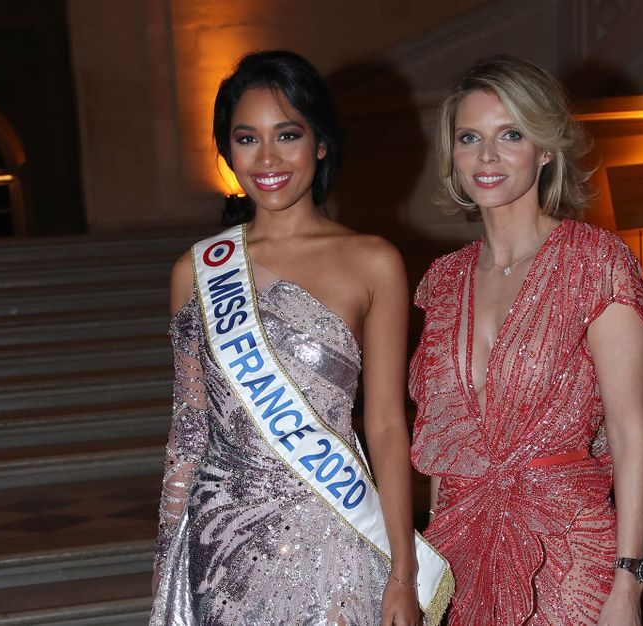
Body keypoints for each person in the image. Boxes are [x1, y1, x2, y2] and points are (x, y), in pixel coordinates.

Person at [150, 50, 451, 626]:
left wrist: (402, 575)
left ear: (321, 143)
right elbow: (187, 431)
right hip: (221, 545)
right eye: (246, 138)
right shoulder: (197, 270)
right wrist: (169, 571)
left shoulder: (372, 261)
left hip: (333, 535)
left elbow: (386, 424)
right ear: (226, 150)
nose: (267, 158)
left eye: (287, 134)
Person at [408, 56, 643, 625]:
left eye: (510, 135)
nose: (486, 157)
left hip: (569, 559)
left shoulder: (596, 263)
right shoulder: (445, 281)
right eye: (469, 137)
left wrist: (629, 582)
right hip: (462, 554)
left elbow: (628, 434)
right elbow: (447, 451)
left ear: (545, 150)